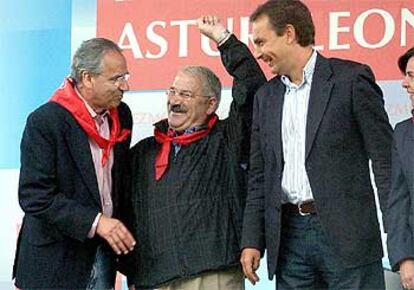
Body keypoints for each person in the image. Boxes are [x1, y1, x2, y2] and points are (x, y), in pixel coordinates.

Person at [239, 1, 393, 289]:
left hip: (349, 238)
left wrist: (402, 241)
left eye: (261, 42)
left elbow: (386, 165)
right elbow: (259, 177)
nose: (257, 53)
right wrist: (252, 240)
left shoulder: (351, 80)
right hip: (289, 242)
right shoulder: (266, 98)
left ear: (288, 33)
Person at [123, 16, 266, 290]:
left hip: (212, 275)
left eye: (186, 95)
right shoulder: (143, 153)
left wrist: (224, 40)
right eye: (173, 91)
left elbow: (252, 85)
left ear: (211, 104)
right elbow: (126, 215)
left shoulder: (228, 139)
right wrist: (132, 271)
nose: (174, 101)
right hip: (155, 279)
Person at [12, 37, 136, 289]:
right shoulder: (46, 121)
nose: (125, 86)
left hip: (103, 256)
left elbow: (120, 187)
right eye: (116, 79)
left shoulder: (122, 114)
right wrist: (96, 221)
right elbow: (35, 196)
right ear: (87, 77)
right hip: (53, 260)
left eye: (125, 76)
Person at [387, 46, 414, 290]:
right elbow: (398, 201)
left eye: (412, 76)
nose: (405, 84)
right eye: (406, 75)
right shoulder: (403, 132)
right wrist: (404, 258)